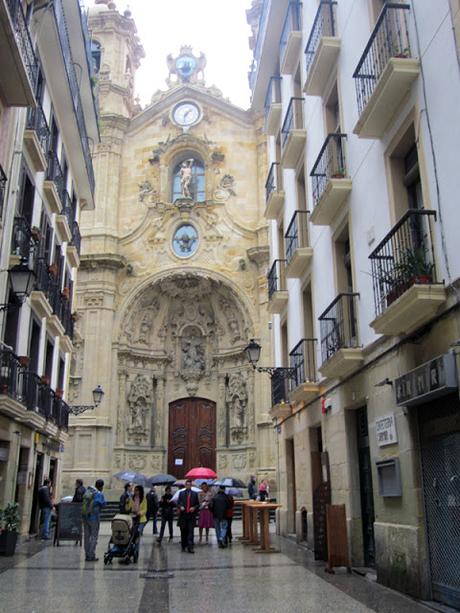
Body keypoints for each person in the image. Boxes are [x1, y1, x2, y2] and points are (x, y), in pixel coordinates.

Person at [82, 479, 106, 562]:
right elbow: (103, 504)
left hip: (85, 517)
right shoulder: (99, 494)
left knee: (86, 536)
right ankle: (91, 555)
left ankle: (86, 554)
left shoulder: (88, 491)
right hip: (94, 517)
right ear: (101, 486)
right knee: (94, 536)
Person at [177, 479, 199, 553]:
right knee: (183, 532)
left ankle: (190, 547)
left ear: (191, 486)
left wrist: (194, 507)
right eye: (187, 485)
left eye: (190, 485)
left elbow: (197, 504)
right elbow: (178, 502)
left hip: (191, 516)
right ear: (185, 485)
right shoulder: (181, 493)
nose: (188, 486)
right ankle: (183, 546)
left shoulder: (195, 494)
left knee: (191, 532)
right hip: (183, 515)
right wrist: (180, 506)